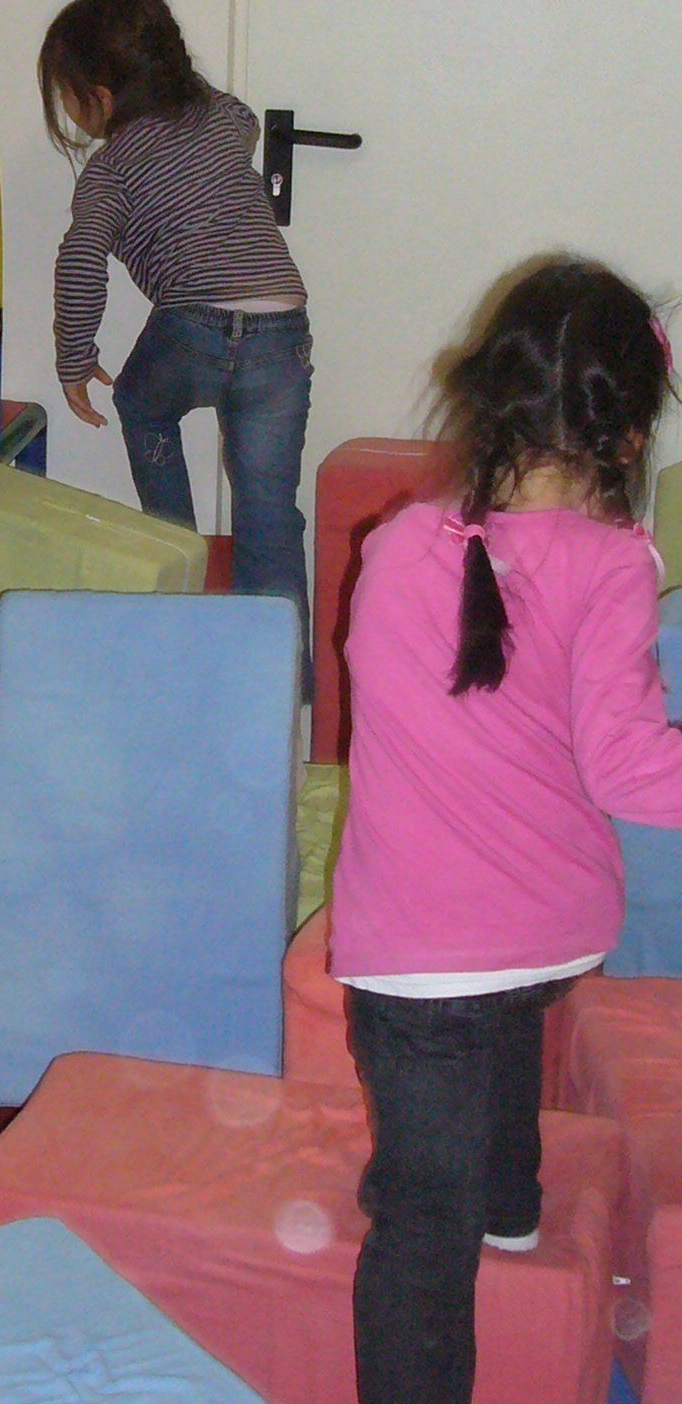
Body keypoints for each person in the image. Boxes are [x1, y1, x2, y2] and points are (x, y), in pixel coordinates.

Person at [329, 258, 682, 1404]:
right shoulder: (612, 563)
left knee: (416, 1225)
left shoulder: (397, 545)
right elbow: (628, 767)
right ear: (626, 436)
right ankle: (512, 1203)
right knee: (503, 1017)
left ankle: (464, 1198)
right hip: (550, 930)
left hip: (414, 952)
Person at [39, 0, 312, 674]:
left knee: (140, 402)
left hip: (195, 322)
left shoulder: (109, 171)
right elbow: (246, 119)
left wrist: (76, 357)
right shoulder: (221, 118)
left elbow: (80, 257)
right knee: (269, 514)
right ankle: (282, 691)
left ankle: (175, 549)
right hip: (281, 326)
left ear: (100, 98)